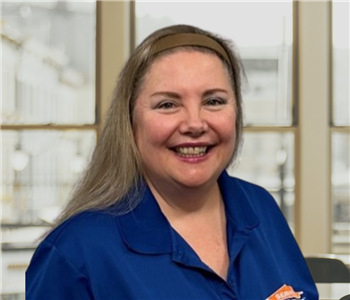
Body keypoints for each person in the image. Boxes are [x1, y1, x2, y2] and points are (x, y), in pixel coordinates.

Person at [26, 24, 318, 300]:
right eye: (168, 104)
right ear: (130, 122)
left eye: (214, 101)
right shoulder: (75, 252)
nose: (195, 123)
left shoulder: (260, 207)